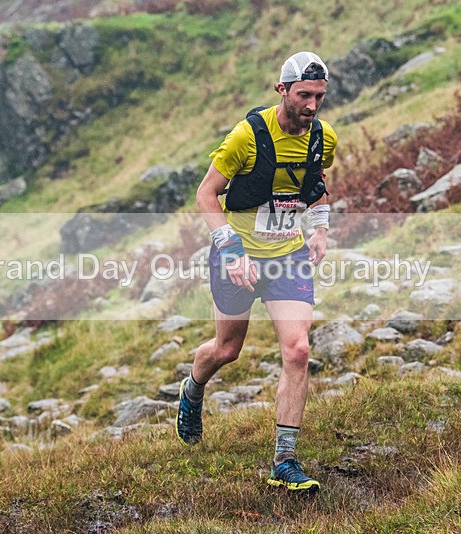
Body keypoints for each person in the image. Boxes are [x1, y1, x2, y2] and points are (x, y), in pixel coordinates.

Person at [179, 52, 337, 493]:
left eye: (319, 96)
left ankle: (285, 461)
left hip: (287, 257)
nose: (311, 105)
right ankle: (192, 389)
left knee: (299, 350)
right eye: (303, 95)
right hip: (239, 259)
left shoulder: (323, 137)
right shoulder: (247, 136)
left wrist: (320, 232)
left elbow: (317, 189)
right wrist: (231, 251)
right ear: (282, 90)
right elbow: (207, 194)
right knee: (227, 349)